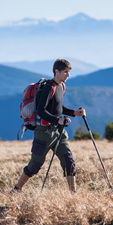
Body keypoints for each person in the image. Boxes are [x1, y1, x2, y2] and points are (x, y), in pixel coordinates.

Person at [13, 59, 85, 192]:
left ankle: (74, 194)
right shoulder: (48, 88)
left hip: (59, 131)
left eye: (68, 72)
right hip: (44, 132)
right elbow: (41, 111)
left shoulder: (61, 86)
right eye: (65, 72)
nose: (68, 75)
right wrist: (58, 120)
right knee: (35, 165)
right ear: (56, 72)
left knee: (69, 160)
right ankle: (17, 189)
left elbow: (57, 107)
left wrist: (74, 113)